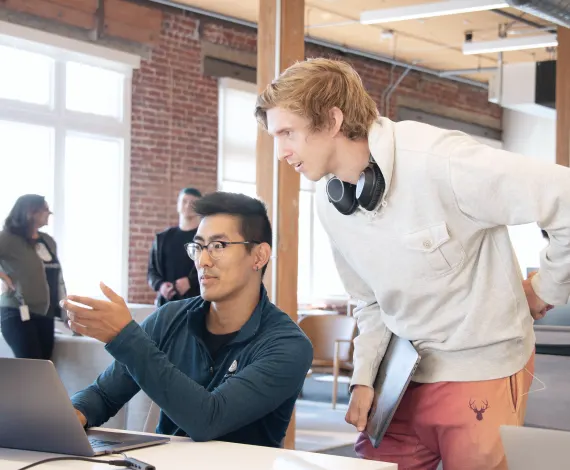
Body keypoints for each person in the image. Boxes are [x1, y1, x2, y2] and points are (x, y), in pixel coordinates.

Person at [255, 57, 570, 469]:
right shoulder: (333, 202)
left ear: (332, 120)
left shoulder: (442, 162)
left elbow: (565, 196)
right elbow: (368, 302)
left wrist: (545, 288)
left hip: (479, 366)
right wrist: (364, 377)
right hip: (400, 375)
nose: (281, 151)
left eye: (287, 133)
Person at [62, 191, 313, 447]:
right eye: (198, 247)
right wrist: (64, 418)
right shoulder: (170, 317)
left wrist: (126, 337)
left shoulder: (288, 345)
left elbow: (208, 420)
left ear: (259, 256)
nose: (202, 261)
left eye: (218, 246)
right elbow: (104, 394)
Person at [0, 194, 67, 359]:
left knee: (44, 367)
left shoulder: (48, 241)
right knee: (32, 365)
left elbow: (58, 279)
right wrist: (3, 277)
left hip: (46, 314)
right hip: (17, 310)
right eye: (45, 209)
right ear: (31, 212)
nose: (49, 213)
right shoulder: (8, 238)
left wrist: (65, 311)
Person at [148, 187, 202, 307]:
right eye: (184, 201)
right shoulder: (162, 238)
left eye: (193, 202)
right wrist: (161, 286)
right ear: (178, 205)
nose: (188, 205)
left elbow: (214, 267)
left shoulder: (205, 238)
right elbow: (152, 271)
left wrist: (191, 282)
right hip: (165, 305)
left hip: (197, 304)